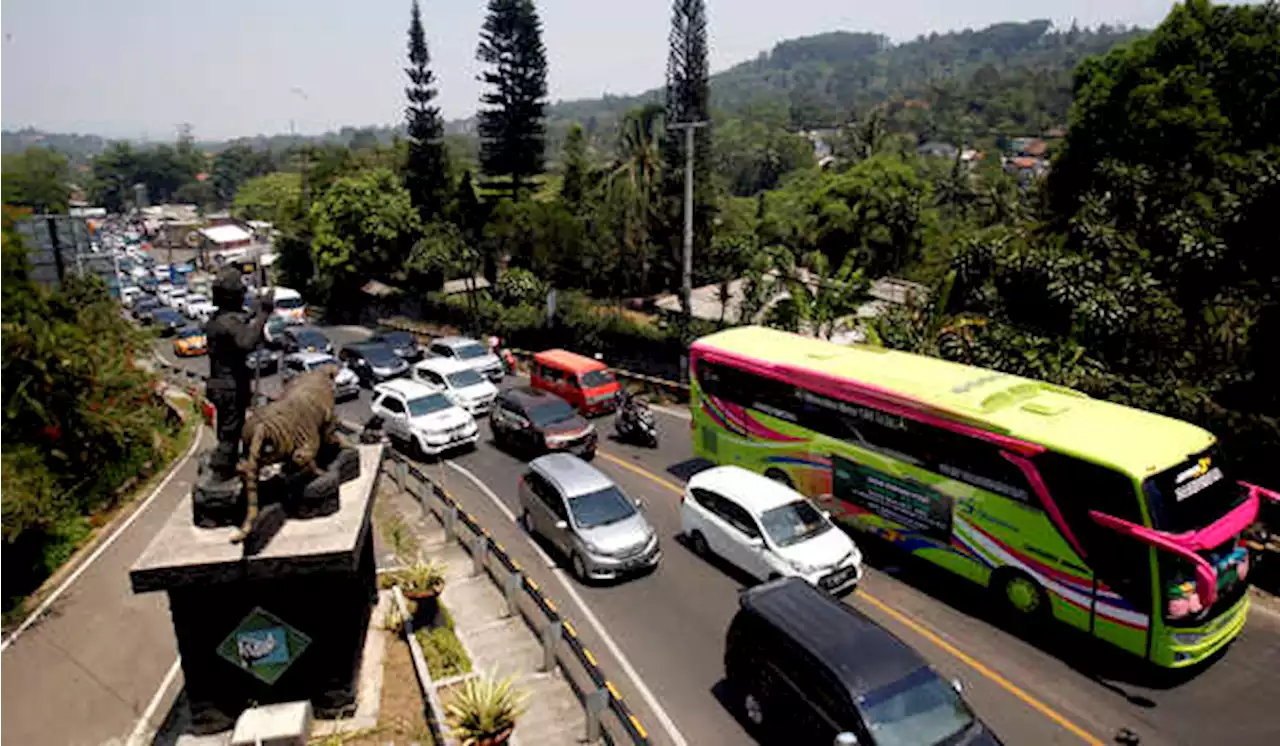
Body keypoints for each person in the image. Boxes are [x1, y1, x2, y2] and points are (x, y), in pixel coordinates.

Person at [204, 268, 274, 477]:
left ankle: (232, 465)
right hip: (229, 387)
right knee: (230, 435)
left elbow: (241, 320)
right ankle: (222, 476)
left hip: (225, 385)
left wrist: (256, 309)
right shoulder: (226, 323)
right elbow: (247, 341)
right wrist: (264, 313)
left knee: (233, 430)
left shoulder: (220, 318)